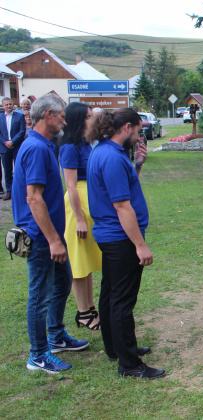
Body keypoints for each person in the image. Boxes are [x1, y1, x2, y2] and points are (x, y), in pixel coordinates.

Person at [12, 93, 89, 374]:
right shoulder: (36, 148)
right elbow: (34, 198)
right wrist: (54, 239)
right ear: (48, 115)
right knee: (40, 294)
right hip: (42, 237)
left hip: (53, 235)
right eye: (61, 116)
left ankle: (56, 337)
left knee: (62, 282)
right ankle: (39, 354)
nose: (64, 121)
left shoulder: (42, 145)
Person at [86, 108, 163, 379]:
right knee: (122, 301)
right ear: (127, 126)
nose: (140, 135)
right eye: (139, 130)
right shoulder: (112, 157)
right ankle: (129, 364)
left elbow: (121, 190)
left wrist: (138, 165)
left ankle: (116, 348)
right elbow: (121, 205)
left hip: (110, 236)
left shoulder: (105, 151)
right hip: (120, 238)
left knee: (110, 294)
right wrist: (140, 245)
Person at [59, 102, 103, 330]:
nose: (91, 120)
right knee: (78, 262)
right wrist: (79, 219)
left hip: (90, 204)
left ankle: (90, 306)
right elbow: (71, 185)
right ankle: (83, 312)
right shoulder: (69, 147)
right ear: (78, 120)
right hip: (77, 208)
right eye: (87, 117)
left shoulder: (86, 144)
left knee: (87, 261)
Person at [1, 97, 26, 200]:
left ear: (12, 104)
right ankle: (9, 191)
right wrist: (6, 142)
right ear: (3, 106)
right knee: (7, 170)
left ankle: (19, 190)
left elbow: (22, 131)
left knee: (18, 169)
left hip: (16, 147)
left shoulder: (19, 116)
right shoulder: (0, 118)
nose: (8, 106)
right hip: (4, 148)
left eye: (10, 104)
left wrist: (13, 142)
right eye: (6, 104)